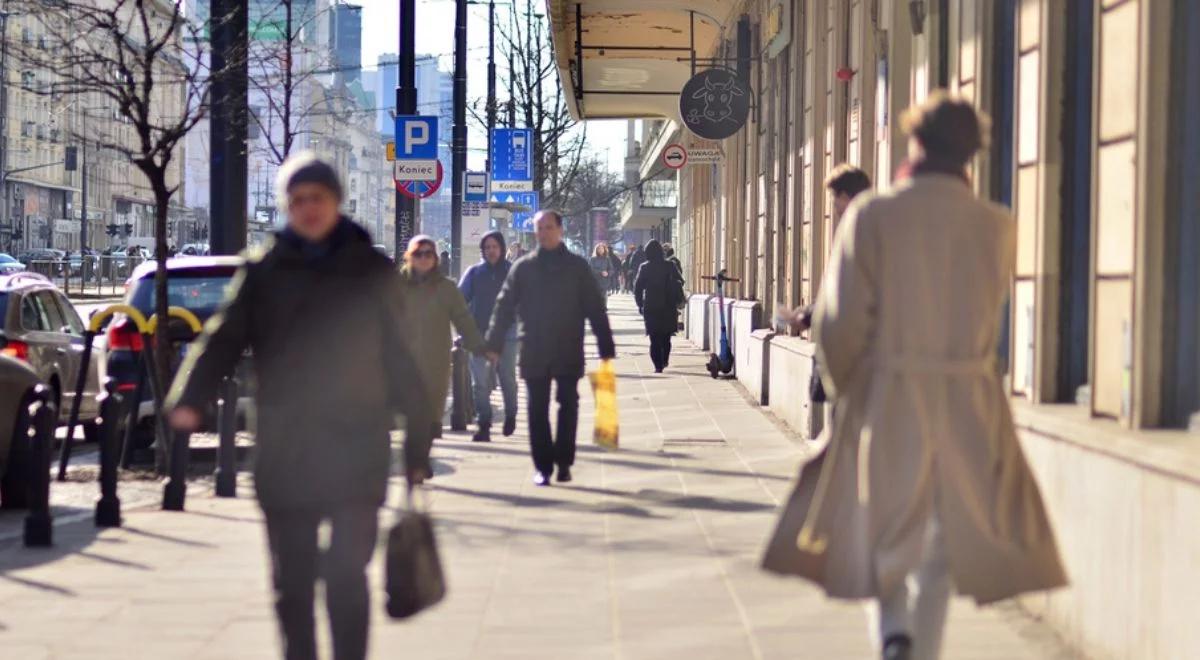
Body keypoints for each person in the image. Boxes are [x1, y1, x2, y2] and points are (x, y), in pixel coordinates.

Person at [762, 93, 1066, 660]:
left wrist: (853, 387)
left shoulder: (874, 214)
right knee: (947, 535)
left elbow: (837, 322)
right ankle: (920, 648)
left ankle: (894, 631)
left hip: (891, 392)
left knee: (883, 521)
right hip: (971, 397)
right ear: (971, 152)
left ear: (916, 142)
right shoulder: (995, 224)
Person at [166, 152, 432, 660]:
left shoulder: (371, 270)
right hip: (287, 451)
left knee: (345, 577)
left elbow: (403, 360)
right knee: (291, 584)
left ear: (336, 202)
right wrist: (189, 398)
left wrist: (417, 446)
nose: (308, 209)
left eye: (318, 199)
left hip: (357, 450)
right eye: (297, 201)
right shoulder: (264, 269)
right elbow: (222, 339)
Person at [485, 210, 615, 487]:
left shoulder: (577, 267)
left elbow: (595, 307)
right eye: (539, 228)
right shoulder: (524, 268)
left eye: (549, 227)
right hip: (534, 347)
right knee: (536, 408)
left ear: (560, 230)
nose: (543, 232)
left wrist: (605, 346)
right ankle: (543, 466)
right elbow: (504, 306)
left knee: (568, 405)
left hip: (568, 346)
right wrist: (494, 343)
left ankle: (564, 462)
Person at [400, 235, 487, 447]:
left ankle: (422, 456)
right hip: (405, 360)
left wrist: (477, 345)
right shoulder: (396, 286)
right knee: (412, 413)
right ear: (409, 257)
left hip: (437, 361)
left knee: (432, 416)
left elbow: (463, 318)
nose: (423, 258)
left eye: (428, 254)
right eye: (418, 254)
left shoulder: (446, 288)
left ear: (436, 258)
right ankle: (416, 464)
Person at [459, 231, 519, 443]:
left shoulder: (513, 271)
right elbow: (459, 301)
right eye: (487, 247)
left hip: (508, 336)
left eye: (495, 247)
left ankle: (511, 414)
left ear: (502, 249)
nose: (491, 251)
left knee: (507, 379)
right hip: (479, 336)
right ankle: (483, 423)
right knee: (480, 383)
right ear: (482, 251)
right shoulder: (474, 273)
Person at [633, 239, 683, 373]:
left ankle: (657, 366)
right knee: (666, 337)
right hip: (668, 305)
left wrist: (640, 304)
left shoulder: (644, 267)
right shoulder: (670, 265)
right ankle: (665, 359)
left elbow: (637, 288)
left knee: (654, 338)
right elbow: (681, 281)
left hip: (651, 306)